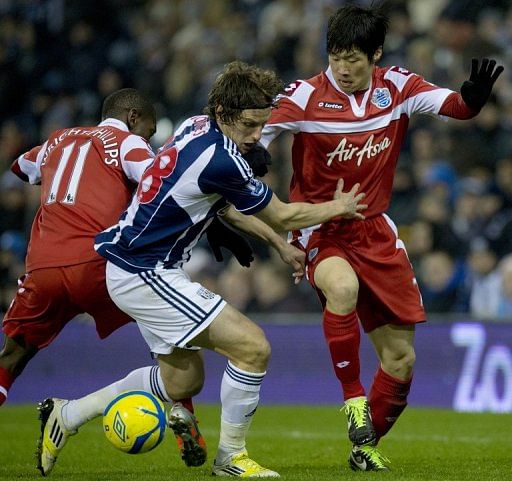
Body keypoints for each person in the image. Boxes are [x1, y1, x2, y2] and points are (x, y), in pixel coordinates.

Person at [40, 60, 367, 478]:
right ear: (225, 115)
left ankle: (66, 415)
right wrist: (339, 207)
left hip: (134, 265)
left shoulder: (196, 125)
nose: (256, 135)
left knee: (182, 384)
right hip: (146, 271)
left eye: (262, 125)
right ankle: (231, 457)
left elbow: (224, 206)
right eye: (249, 125)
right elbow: (283, 215)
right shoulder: (222, 159)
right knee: (253, 347)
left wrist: (277, 247)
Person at [259, 3, 504, 472]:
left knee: (401, 361)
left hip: (375, 231)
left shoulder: (398, 87)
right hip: (321, 227)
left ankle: (364, 444)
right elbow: (251, 138)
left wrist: (472, 100)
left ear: (376, 54)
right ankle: (352, 399)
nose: (344, 68)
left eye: (354, 58)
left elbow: (453, 105)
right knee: (343, 288)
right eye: (335, 56)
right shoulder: (303, 96)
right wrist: (253, 165)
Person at [0, 88, 232, 475]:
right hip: (100, 263)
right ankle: (182, 417)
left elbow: (21, 168)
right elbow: (161, 183)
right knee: (166, 334)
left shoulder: (58, 138)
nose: (148, 138)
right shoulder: (128, 144)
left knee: (13, 355)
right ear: (134, 117)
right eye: (149, 131)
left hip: (42, 267)